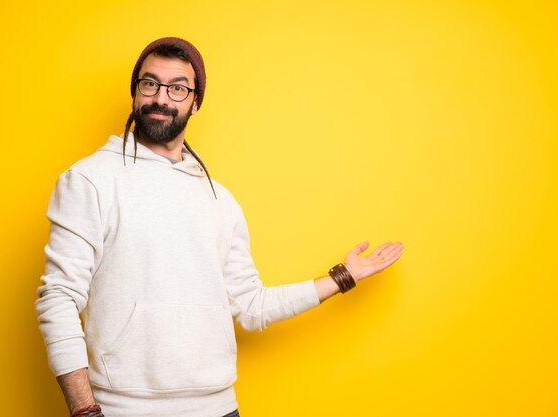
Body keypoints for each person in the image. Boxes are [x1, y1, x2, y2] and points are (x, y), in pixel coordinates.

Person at [35, 37, 404, 417]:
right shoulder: (89, 179)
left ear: (195, 103)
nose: (162, 98)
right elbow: (58, 298)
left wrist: (342, 277)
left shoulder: (219, 200)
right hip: (123, 410)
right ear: (135, 93)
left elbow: (250, 305)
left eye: (178, 88)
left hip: (220, 409)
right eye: (150, 84)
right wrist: (84, 411)